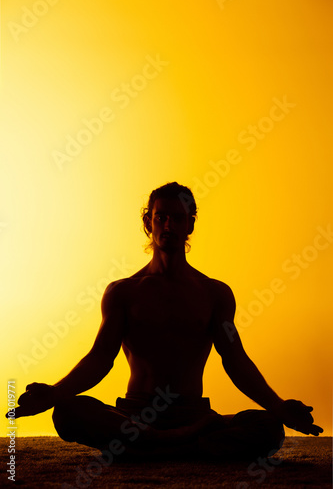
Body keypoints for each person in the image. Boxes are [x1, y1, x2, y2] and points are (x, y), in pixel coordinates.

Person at [7, 182, 323, 461]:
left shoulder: (215, 293)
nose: (169, 225)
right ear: (149, 222)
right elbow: (101, 357)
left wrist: (279, 407)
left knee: (268, 426)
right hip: (134, 414)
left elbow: (235, 359)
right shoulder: (124, 292)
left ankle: (146, 448)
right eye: (161, 217)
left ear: (191, 224)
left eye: (178, 218)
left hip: (192, 413)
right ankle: (180, 446)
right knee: (68, 411)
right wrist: (55, 393)